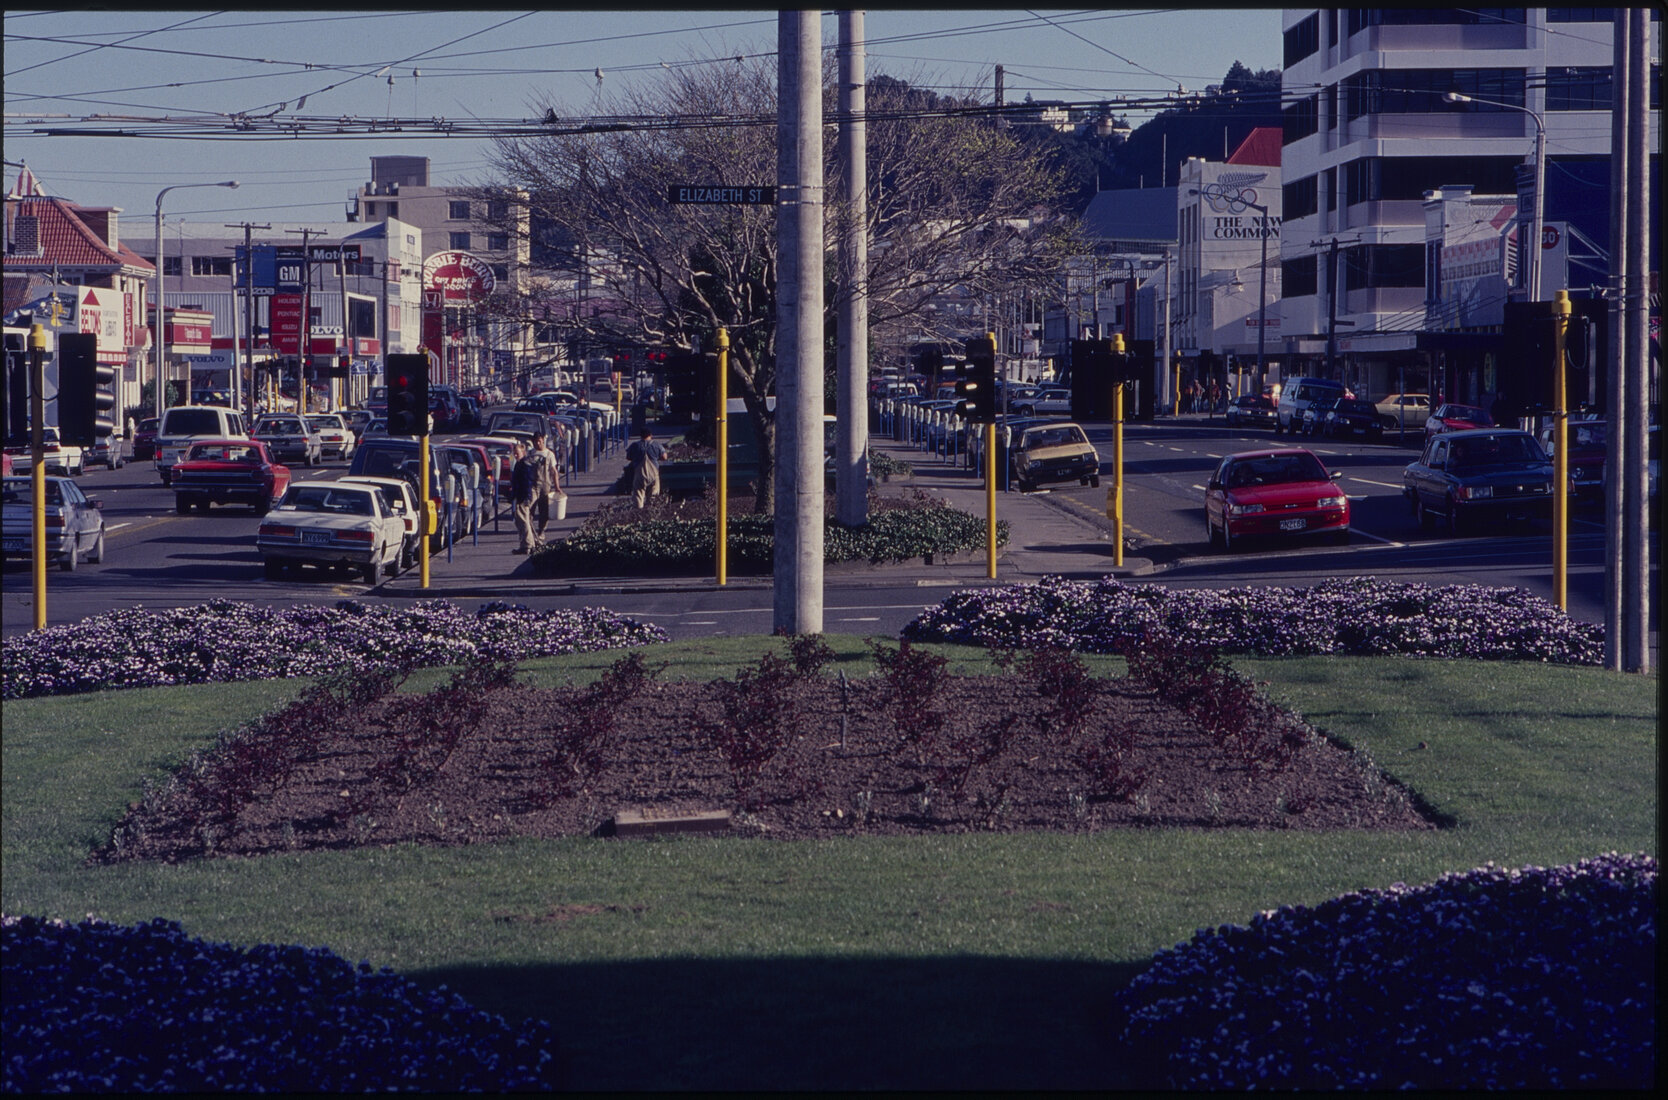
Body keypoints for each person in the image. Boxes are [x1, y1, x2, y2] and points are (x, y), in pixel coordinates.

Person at [527, 433, 557, 544]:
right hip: (533, 486)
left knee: (544, 510)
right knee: (529, 510)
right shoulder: (530, 454)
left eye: (539, 441)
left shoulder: (549, 454)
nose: (537, 443)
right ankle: (532, 533)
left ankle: (541, 532)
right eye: (535, 442)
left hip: (545, 485)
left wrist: (557, 487)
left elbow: (554, 471)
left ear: (543, 440)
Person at [626, 427, 665, 508]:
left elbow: (628, 457)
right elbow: (664, 457)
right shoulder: (657, 445)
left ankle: (638, 512)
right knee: (654, 494)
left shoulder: (635, 445)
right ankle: (652, 512)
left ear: (640, 436)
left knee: (638, 493)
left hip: (639, 474)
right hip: (653, 474)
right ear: (651, 435)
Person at [509, 441, 536, 554]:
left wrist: (526, 498)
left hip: (522, 497)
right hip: (519, 495)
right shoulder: (519, 463)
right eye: (514, 454)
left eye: (517, 453)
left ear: (523, 452)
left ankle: (527, 545)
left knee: (523, 520)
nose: (515, 456)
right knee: (522, 521)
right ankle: (528, 544)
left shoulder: (524, 464)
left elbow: (527, 482)